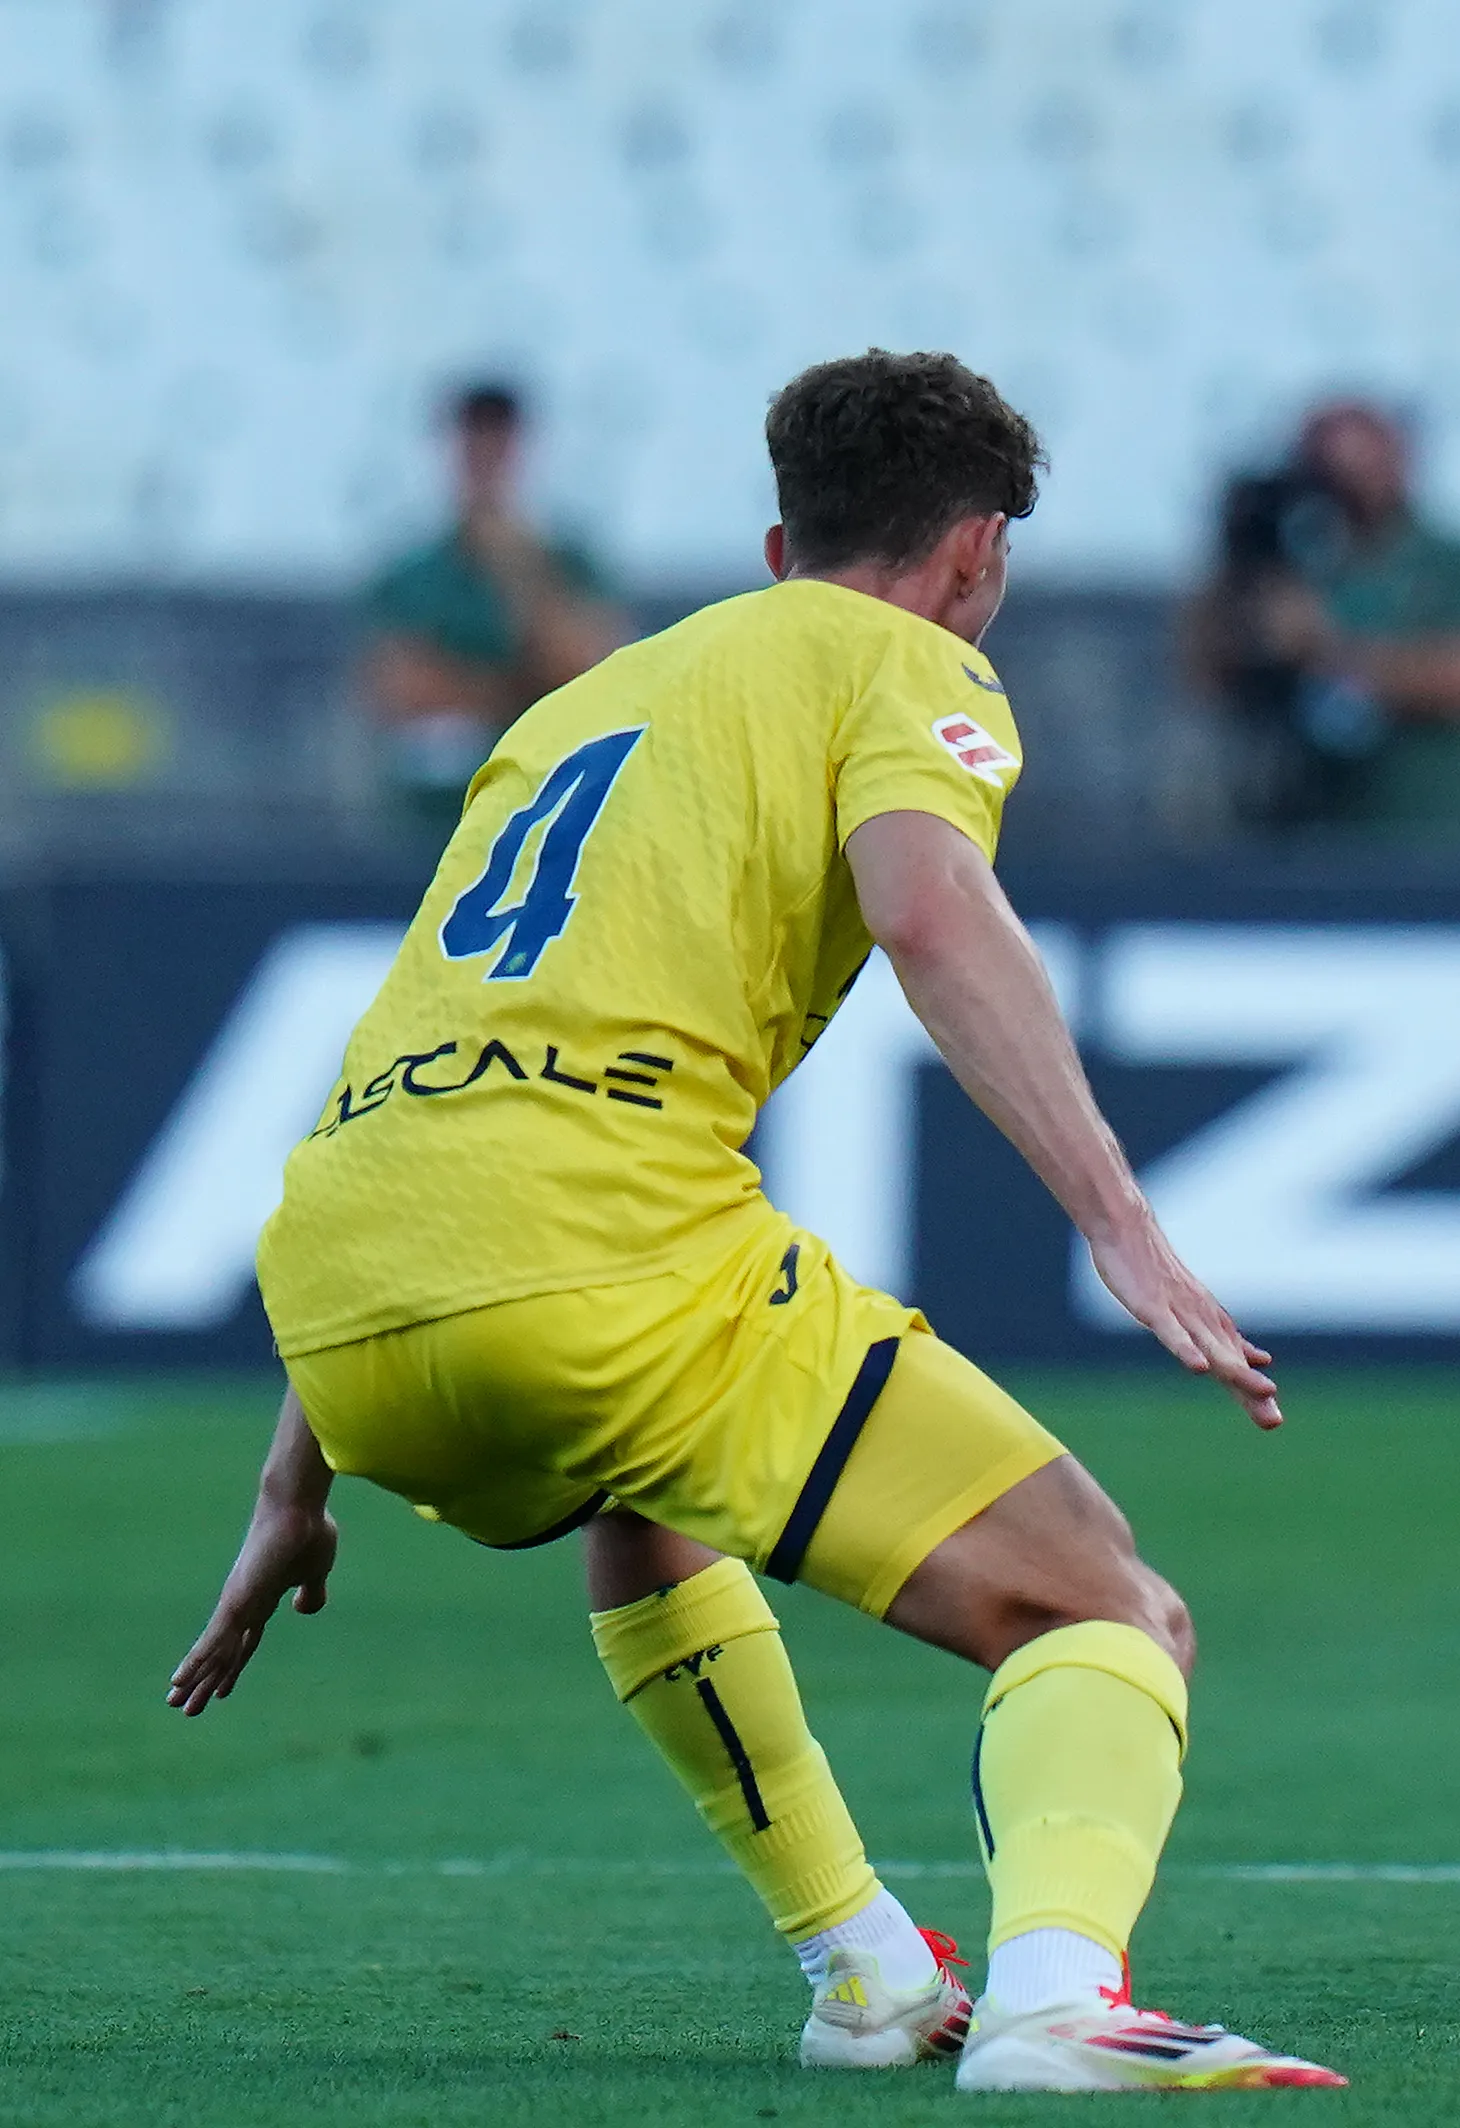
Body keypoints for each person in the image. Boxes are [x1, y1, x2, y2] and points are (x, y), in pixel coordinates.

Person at [168, 350, 1342, 2095]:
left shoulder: (575, 705)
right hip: (592, 1249)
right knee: (1101, 1607)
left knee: (646, 1495)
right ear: (976, 554)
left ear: (781, 543)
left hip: (344, 1295)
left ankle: (864, 1969)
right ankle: (1056, 2000)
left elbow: (423, 1087)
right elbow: (933, 911)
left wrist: (294, 1486)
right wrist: (1118, 1217)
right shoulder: (904, 659)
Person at [1182, 400, 1460, 838]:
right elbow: (1205, 677)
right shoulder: (1299, 567)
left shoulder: (1455, 564)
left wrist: (1327, 650)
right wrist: (1238, 558)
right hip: (1310, 837)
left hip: (1442, 836)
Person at [361, 382, 630, 837]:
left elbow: (592, 673)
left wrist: (516, 571)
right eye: (475, 441)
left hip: (550, 802)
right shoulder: (412, 572)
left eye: (499, 442)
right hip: (431, 813)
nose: (487, 459)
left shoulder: (569, 562)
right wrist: (523, 693)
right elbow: (403, 690)